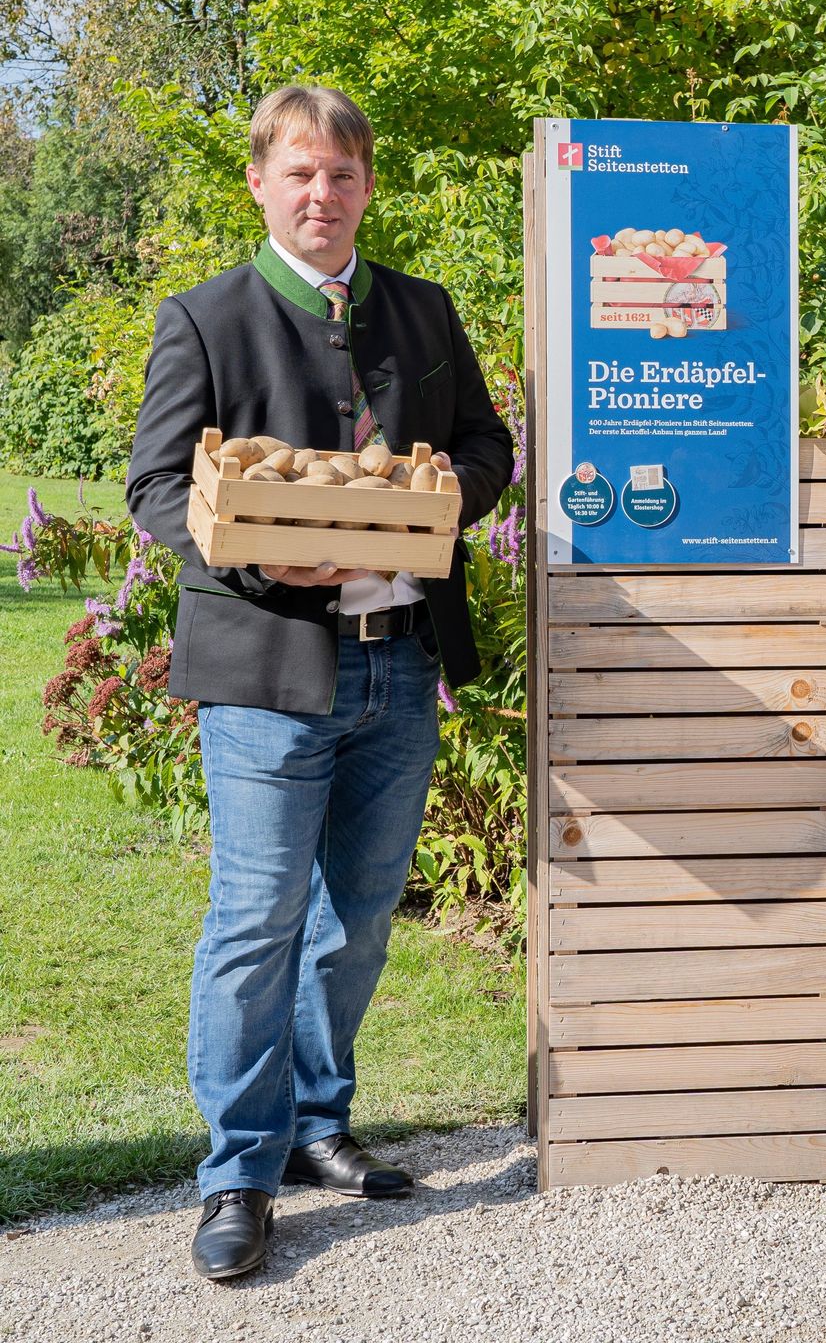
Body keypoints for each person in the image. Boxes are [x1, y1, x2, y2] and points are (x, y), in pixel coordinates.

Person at [125, 85, 513, 1281]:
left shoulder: (422, 311)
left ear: (366, 186)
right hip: (266, 671)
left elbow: (492, 449)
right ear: (260, 184)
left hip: (397, 664)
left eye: (342, 175)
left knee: (355, 920)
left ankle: (315, 1123)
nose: (322, 195)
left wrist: (453, 482)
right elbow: (154, 491)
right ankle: (238, 1172)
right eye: (300, 174)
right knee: (255, 924)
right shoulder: (205, 319)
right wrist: (249, 546)